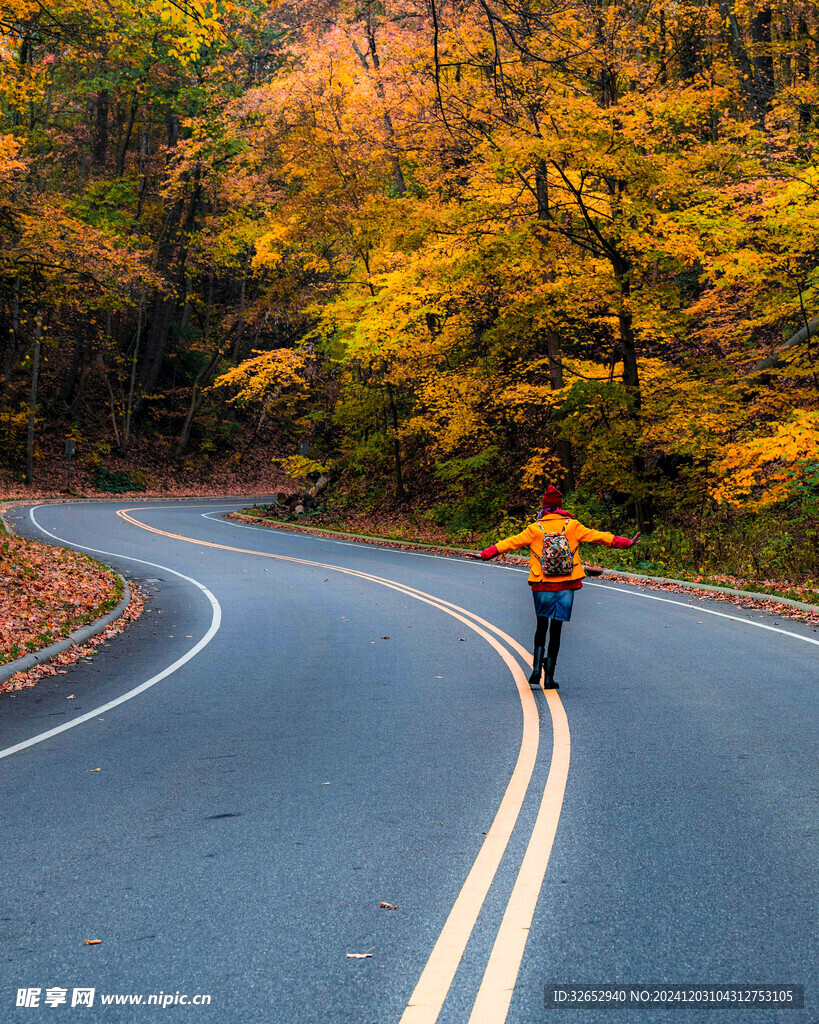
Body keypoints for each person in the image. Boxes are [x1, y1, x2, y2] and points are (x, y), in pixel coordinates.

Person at [480, 485, 640, 689]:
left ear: (544, 507)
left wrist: (485, 554)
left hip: (542, 583)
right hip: (566, 583)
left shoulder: (534, 528)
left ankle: (536, 668)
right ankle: (549, 677)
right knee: (556, 630)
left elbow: (510, 543)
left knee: (541, 626)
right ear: (560, 506)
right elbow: (598, 536)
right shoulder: (572, 526)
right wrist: (625, 542)